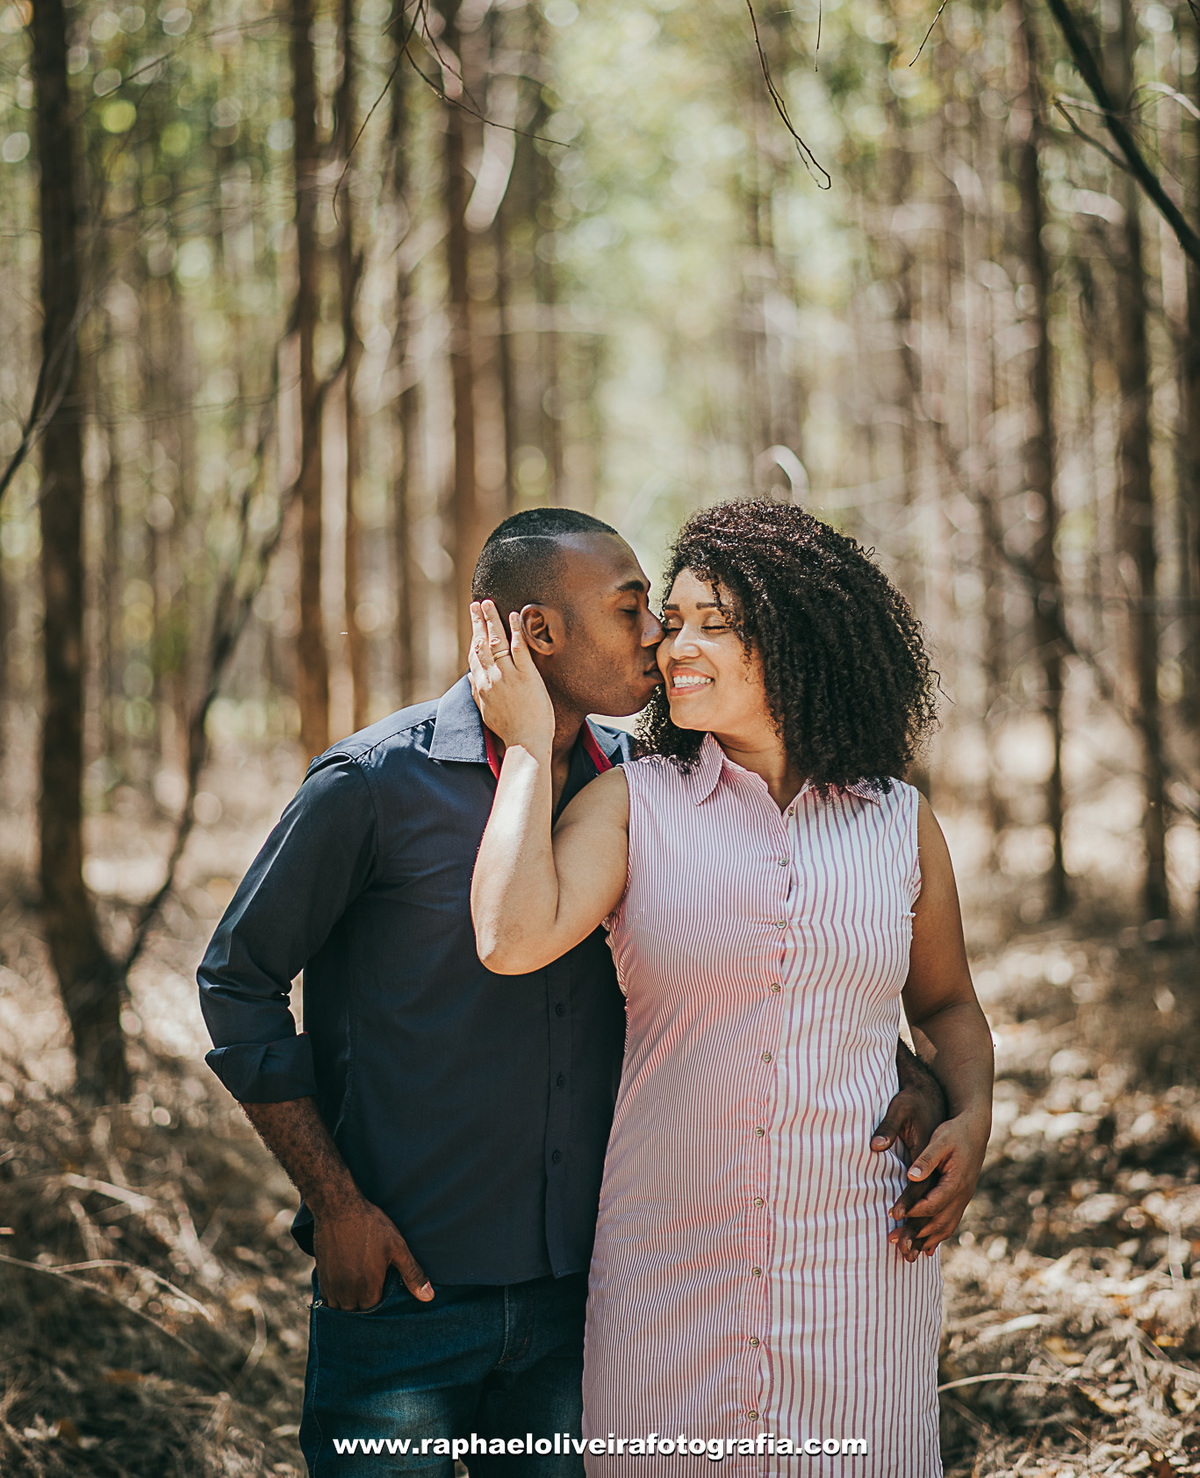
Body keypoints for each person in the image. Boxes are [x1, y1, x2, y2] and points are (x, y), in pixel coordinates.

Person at [197, 507, 949, 1478]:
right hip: (404, 1291)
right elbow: (236, 978)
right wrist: (334, 1203)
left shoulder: (646, 788)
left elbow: (752, 968)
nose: (659, 637)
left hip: (580, 1299)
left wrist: (903, 1071)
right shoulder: (375, 785)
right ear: (538, 633)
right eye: (635, 608)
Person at [469, 499, 994, 1478]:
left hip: (859, 1268)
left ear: (799, 638)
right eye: (674, 618)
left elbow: (948, 1006)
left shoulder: (897, 823)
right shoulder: (634, 803)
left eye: (718, 620)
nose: (677, 644)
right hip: (671, 1272)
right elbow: (509, 934)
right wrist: (532, 748)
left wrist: (973, 1116)